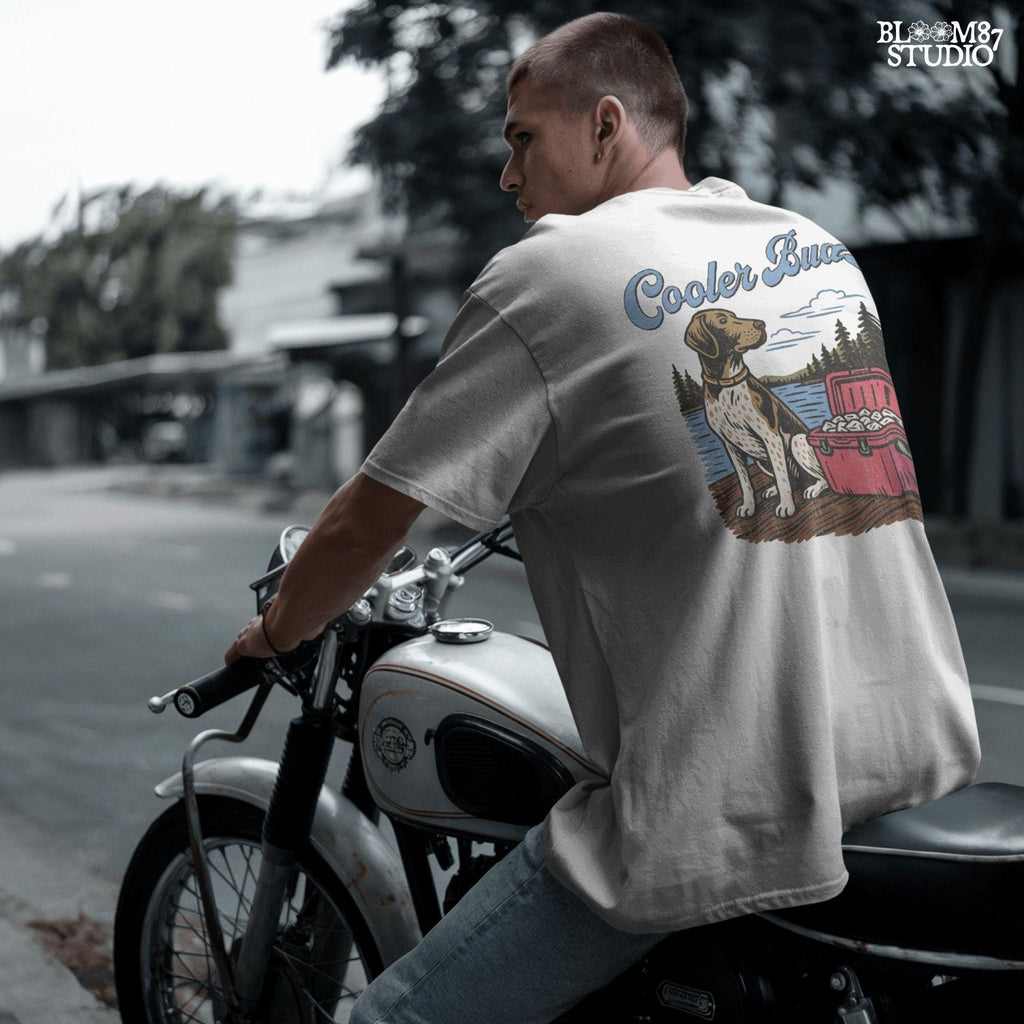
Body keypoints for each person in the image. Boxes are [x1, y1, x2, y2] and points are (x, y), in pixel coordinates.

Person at [225, 12, 981, 1023]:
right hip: (908, 751)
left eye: (521, 138)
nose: (508, 175)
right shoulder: (813, 249)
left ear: (605, 125)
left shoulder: (552, 272)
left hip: (726, 808)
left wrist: (278, 629)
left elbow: (370, 521)